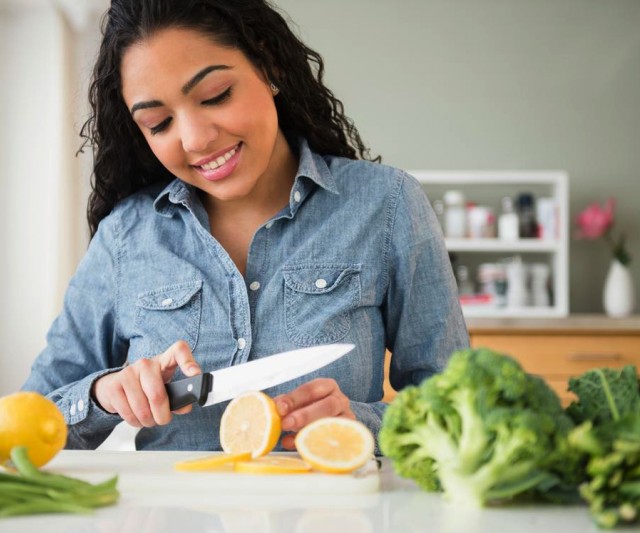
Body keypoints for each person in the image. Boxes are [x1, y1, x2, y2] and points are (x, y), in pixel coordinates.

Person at [22, 0, 469, 452]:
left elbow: (456, 413)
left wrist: (362, 423)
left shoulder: (385, 204)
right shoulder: (126, 236)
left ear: (266, 61)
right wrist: (103, 395)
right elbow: (27, 420)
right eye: (159, 123)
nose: (195, 140)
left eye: (215, 95)